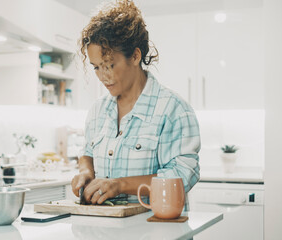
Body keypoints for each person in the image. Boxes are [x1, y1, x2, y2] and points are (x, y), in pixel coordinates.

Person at [71, 0, 201, 205]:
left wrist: (119, 185)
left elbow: (182, 177)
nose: (103, 76)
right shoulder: (97, 110)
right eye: (96, 67)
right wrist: (86, 172)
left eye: (109, 65)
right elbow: (87, 153)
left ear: (135, 56)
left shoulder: (173, 109)